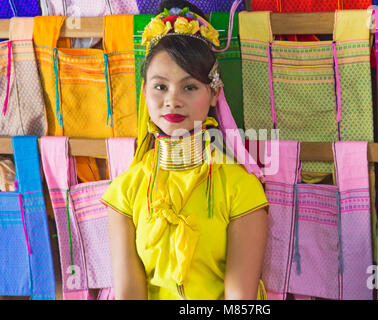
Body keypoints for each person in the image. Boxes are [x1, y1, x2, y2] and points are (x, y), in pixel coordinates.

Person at [101, 0, 269, 300]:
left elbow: (240, 301)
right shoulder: (125, 191)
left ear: (214, 93)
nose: (173, 100)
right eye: (160, 86)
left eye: (189, 87)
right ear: (144, 91)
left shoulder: (240, 188)